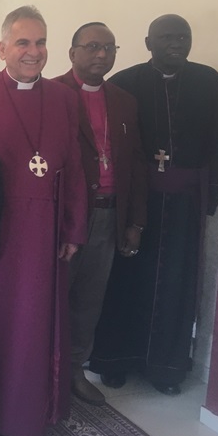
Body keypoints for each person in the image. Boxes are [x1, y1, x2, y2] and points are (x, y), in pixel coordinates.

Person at [0, 5, 87, 436]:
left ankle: (30, 412)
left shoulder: (66, 98)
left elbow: (75, 166)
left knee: (36, 325)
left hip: (46, 230)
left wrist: (73, 226)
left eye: (41, 42)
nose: (34, 52)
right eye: (23, 42)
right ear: (2, 47)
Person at [89, 14, 218, 396]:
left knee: (176, 287)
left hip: (185, 206)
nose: (176, 43)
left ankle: (166, 370)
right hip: (137, 202)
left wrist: (210, 197)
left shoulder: (210, 82)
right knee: (125, 282)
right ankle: (114, 360)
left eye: (184, 36)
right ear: (148, 43)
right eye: (166, 37)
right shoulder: (124, 84)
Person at [53, 22, 147, 406]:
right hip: (66, 214)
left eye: (109, 48)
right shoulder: (52, 93)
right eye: (92, 46)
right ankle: (48, 374)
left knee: (89, 300)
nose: (101, 55)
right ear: (72, 51)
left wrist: (135, 222)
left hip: (108, 214)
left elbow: (136, 164)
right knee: (55, 296)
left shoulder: (124, 100)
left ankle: (76, 370)